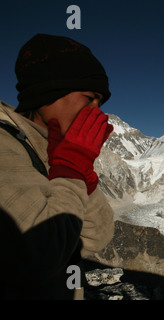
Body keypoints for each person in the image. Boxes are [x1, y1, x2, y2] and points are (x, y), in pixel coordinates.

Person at [0, 34, 115, 299]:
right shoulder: (5, 145)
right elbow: (36, 257)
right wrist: (71, 167)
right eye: (90, 97)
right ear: (50, 90)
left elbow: (96, 237)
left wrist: (80, 173)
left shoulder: (51, 151)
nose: (97, 112)